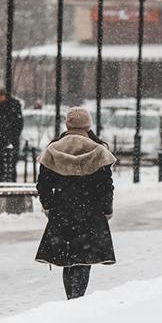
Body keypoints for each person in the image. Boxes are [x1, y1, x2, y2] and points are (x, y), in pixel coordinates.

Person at [35, 107, 116, 299]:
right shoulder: (98, 150)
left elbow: (43, 185)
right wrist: (107, 210)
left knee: (67, 259)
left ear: (67, 124)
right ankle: (77, 300)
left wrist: (49, 207)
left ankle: (71, 299)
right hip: (90, 212)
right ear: (88, 125)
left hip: (62, 211)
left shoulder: (54, 149)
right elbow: (106, 187)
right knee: (83, 259)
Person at [0, 89, 23, 183]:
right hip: (2, 142)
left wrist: (7, 138)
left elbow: (16, 126)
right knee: (4, 168)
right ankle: (5, 185)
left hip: (5, 142)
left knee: (8, 168)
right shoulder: (2, 108)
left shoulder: (11, 108)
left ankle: (7, 186)